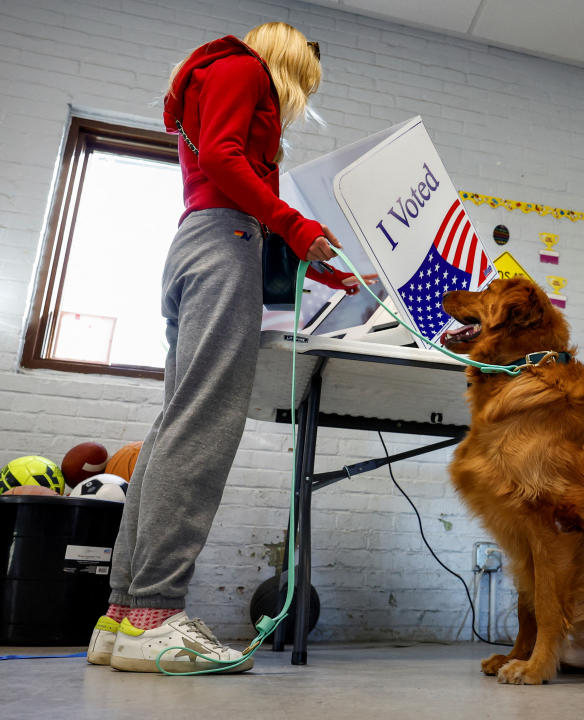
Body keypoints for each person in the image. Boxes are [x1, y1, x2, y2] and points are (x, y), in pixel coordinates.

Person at [86, 22, 359, 673]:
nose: (296, 99)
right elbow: (223, 160)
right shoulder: (243, 69)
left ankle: (122, 619)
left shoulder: (211, 74)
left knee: (174, 427)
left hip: (200, 243)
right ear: (288, 64)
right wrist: (297, 224)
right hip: (222, 248)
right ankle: (157, 613)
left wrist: (325, 268)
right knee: (206, 423)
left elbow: (228, 185)